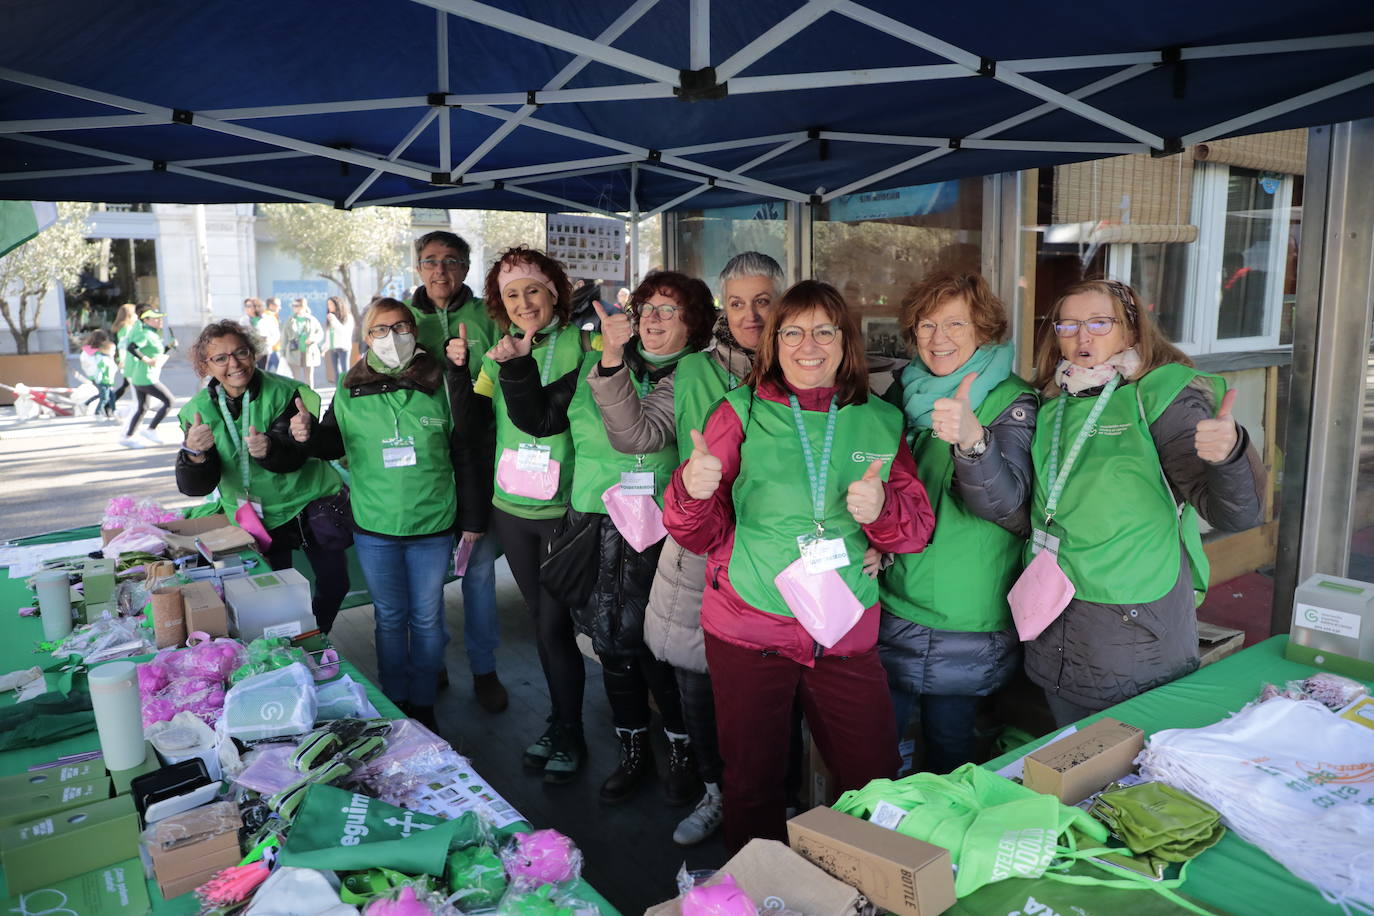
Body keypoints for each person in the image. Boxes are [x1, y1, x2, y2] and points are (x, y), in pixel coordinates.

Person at [664, 280, 936, 852]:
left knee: (873, 776)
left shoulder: (880, 420)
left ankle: (862, 889)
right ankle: (761, 893)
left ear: (845, 343)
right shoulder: (739, 411)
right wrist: (692, 489)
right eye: (793, 331)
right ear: (774, 342)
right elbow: (699, 533)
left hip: (843, 629)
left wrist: (882, 512)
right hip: (749, 627)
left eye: (823, 330)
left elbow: (915, 528)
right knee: (753, 782)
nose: (807, 344)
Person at [585, 251, 781, 844]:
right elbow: (637, 434)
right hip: (705, 546)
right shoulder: (694, 371)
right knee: (696, 677)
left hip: (782, 551)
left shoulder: (805, 360)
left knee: (776, 686)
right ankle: (715, 790)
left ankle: (776, 797)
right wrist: (614, 361)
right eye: (738, 302)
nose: (750, 315)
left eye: (763, 301)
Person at [505, 270, 715, 806]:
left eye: (669, 310)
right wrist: (518, 366)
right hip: (593, 524)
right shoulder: (599, 361)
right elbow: (539, 417)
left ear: (694, 323)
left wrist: (613, 360)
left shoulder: (695, 376)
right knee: (612, 646)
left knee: (658, 651)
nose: (653, 319)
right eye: (646, 308)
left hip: (659, 532)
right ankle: (633, 749)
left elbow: (637, 435)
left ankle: (682, 751)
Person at [1023, 279, 1266, 726]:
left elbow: (1237, 513)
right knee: (1070, 754)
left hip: (1133, 621)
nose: (1082, 336)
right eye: (1068, 324)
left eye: (1099, 322)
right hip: (1054, 612)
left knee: (1134, 763)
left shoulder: (1158, 394)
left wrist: (1228, 455)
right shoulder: (1052, 400)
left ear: (1132, 331)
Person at [291, 298, 488, 730]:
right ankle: (394, 700)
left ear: (415, 332)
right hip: (374, 526)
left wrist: (473, 520)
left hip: (432, 524)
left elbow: (466, 451)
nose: (392, 337)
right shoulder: (348, 385)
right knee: (390, 617)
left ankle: (423, 703)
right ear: (367, 338)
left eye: (401, 327)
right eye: (381, 329)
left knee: (428, 616)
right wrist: (307, 436)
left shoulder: (443, 379)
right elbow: (332, 444)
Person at [877, 272, 1036, 774]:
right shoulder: (903, 392)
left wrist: (973, 441)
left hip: (967, 614)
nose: (938, 338)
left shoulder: (1013, 402)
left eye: (954, 324)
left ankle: (935, 851)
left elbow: (1011, 509)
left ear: (984, 330)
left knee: (950, 750)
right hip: (893, 595)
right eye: (926, 325)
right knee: (880, 747)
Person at [474, 247, 591, 782]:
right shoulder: (495, 354)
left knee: (555, 624)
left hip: (563, 509)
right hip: (510, 509)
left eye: (533, 291)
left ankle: (571, 729)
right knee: (545, 628)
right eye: (511, 294)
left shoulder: (583, 346)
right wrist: (459, 371)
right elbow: (474, 416)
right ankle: (560, 722)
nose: (523, 303)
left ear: (554, 293)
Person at [174, 320, 352, 634]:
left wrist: (269, 448)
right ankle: (291, 644)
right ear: (206, 366)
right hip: (258, 517)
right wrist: (195, 455)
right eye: (221, 358)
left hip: (312, 504)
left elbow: (295, 455)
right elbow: (196, 486)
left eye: (240, 352)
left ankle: (315, 634)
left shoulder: (287, 392)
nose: (234, 364)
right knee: (274, 594)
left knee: (335, 584)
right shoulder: (197, 411)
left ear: (253, 353)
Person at [407, 230, 507, 713]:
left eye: (450, 261)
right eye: (430, 261)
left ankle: (485, 668)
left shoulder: (489, 315)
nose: (440, 270)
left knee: (480, 573)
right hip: (423, 465)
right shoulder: (402, 322)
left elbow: (507, 381)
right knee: (426, 580)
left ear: (466, 267)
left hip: (478, 459)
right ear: (418, 269)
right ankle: (433, 663)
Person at [119, 306, 174, 448]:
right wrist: (147, 360)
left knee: (142, 408)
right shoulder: (145, 334)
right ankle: (151, 429)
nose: (160, 320)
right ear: (147, 320)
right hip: (146, 377)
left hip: (143, 376)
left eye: (161, 317)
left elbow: (154, 352)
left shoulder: (153, 334)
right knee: (169, 401)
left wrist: (169, 347)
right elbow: (132, 347)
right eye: (156, 318)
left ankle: (128, 437)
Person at [283, 298, 325, 388]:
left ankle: (310, 396)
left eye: (296, 305)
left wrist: (313, 338)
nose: (294, 307)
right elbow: (284, 337)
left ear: (303, 306)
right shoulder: (290, 320)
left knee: (309, 377)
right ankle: (297, 397)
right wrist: (282, 353)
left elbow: (320, 333)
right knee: (296, 378)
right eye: (293, 306)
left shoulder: (311, 319)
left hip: (309, 351)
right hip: (294, 352)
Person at [109, 302, 138, 407]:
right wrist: (123, 360)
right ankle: (141, 405)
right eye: (135, 313)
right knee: (134, 384)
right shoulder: (126, 328)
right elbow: (123, 346)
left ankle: (109, 405)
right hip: (127, 361)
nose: (137, 316)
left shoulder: (125, 327)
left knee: (127, 385)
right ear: (130, 315)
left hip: (126, 360)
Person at [323, 297, 354, 384]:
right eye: (328, 304)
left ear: (338, 305)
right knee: (336, 371)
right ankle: (338, 391)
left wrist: (334, 321)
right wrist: (324, 348)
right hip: (333, 347)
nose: (329, 306)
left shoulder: (347, 316)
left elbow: (344, 332)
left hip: (343, 347)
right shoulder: (330, 317)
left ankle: (347, 390)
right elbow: (329, 334)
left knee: (345, 371)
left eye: (331, 304)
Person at [259, 299, 284, 375]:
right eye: (278, 305)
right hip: (271, 349)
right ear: (271, 306)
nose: (280, 308)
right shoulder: (267, 317)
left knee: (270, 372)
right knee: (274, 372)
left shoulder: (273, 315)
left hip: (274, 348)